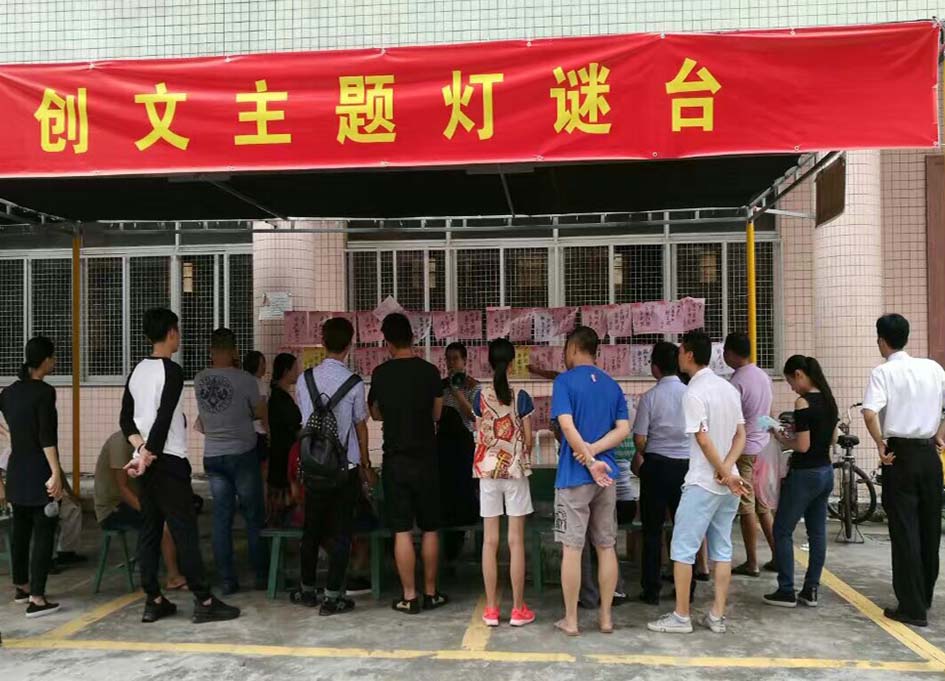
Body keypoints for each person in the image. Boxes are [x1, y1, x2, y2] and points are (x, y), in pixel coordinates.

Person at [121, 307, 239, 624]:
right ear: (171, 332)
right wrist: (150, 453)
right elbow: (163, 418)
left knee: (149, 531)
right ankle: (204, 600)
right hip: (168, 461)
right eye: (178, 331)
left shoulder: (137, 371)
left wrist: (141, 451)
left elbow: (125, 419)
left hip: (145, 463)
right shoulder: (171, 371)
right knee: (184, 531)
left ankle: (153, 599)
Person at [648, 331, 747, 635]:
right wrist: (728, 471)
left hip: (703, 482)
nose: (678, 356)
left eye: (681, 351)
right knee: (722, 548)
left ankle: (681, 615)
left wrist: (721, 471)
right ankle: (717, 614)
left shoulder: (694, 392)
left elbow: (703, 440)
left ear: (689, 354)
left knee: (682, 548)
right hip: (728, 483)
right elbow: (740, 435)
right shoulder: (728, 388)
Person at [862, 313, 945, 627]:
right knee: (929, 528)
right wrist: (938, 433)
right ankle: (924, 596)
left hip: (901, 456)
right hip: (929, 455)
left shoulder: (883, 372)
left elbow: (870, 412)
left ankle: (911, 607)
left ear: (881, 340)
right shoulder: (933, 368)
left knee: (904, 530)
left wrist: (880, 445)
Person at [551, 326, 631, 636]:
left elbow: (567, 427)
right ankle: (606, 618)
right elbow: (623, 429)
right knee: (606, 546)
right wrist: (597, 455)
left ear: (572, 348)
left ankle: (571, 620)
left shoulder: (564, 382)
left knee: (572, 548)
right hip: (606, 477)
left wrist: (587, 458)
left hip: (574, 476)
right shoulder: (612, 385)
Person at [368, 312, 447, 614]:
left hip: (396, 460)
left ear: (387, 342)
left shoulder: (380, 374)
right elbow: (437, 414)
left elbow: (375, 413)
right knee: (430, 528)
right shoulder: (430, 372)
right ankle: (431, 592)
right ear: (413, 338)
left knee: (401, 529)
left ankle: (409, 596)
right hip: (427, 458)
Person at [292, 317, 371, 616]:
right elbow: (360, 424)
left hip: (312, 463)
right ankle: (333, 596)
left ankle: (306, 589)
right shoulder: (354, 383)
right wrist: (365, 462)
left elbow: (304, 418)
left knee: (311, 529)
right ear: (350, 345)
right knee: (341, 531)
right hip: (343, 467)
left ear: (322, 343)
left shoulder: (305, 379)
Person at [194, 328, 269, 594]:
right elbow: (259, 412)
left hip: (213, 455)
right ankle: (261, 575)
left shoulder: (200, 379)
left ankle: (227, 580)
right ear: (235, 350)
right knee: (253, 516)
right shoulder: (246, 379)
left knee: (221, 519)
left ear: (211, 351)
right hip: (242, 453)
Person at [764, 355, 838, 608]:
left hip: (805, 474)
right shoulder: (829, 400)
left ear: (799, 374)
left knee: (782, 530)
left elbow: (803, 446)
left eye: (790, 382)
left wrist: (780, 437)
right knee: (817, 533)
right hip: (825, 472)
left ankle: (786, 590)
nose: (792, 388)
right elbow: (831, 439)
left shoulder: (803, 403)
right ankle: (811, 589)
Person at [472, 338, 536, 628]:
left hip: (487, 473)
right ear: (512, 364)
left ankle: (490, 610)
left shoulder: (479, 397)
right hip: (514, 472)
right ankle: (518, 609)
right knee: (515, 541)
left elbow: (480, 434)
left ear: (489, 362)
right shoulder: (521, 396)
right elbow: (528, 439)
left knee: (490, 541)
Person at [0, 336, 63, 618]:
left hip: (16, 471)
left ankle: (22, 587)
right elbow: (46, 436)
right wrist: (56, 472)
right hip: (39, 471)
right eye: (53, 357)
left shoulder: (8, 393)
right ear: (45, 360)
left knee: (21, 532)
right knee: (44, 532)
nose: (55, 361)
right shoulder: (45, 393)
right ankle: (37, 598)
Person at [632, 341, 693, 605]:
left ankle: (652, 590)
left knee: (652, 530)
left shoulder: (650, 397)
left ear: (655, 368)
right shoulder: (691, 394)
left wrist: (649, 452)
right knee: (684, 529)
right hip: (686, 468)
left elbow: (639, 439)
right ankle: (686, 589)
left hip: (656, 467)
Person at [94, 431, 186, 590]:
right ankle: (173, 576)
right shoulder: (120, 443)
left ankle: (180, 567)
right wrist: (150, 511)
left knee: (179, 515)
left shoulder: (146, 442)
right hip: (112, 508)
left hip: (134, 500)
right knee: (163, 526)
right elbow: (123, 489)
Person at [723, 332, 776, 576]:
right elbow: (768, 414)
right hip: (763, 447)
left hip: (744, 450)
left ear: (731, 353)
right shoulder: (763, 376)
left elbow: (732, 421)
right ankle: (778, 555)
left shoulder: (736, 383)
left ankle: (752, 561)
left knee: (746, 507)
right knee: (763, 506)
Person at [438, 342, 479, 565]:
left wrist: (457, 391)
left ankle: (461, 539)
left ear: (464, 361)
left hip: (464, 446)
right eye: (448, 359)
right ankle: (448, 550)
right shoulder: (441, 386)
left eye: (455, 358)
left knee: (464, 489)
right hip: (443, 447)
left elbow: (474, 416)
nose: (451, 363)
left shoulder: (473, 386)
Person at [267, 352, 301, 525]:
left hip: (279, 451)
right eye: (295, 369)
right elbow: (294, 424)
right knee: (284, 494)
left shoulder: (277, 395)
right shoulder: (280, 398)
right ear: (286, 371)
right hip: (284, 453)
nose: (298, 372)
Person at [243, 350, 270, 479]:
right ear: (256, 365)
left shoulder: (241, 382)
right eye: (263, 363)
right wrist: (268, 431)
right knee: (262, 468)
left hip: (243, 432)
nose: (265, 367)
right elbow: (263, 410)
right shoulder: (260, 384)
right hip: (259, 432)